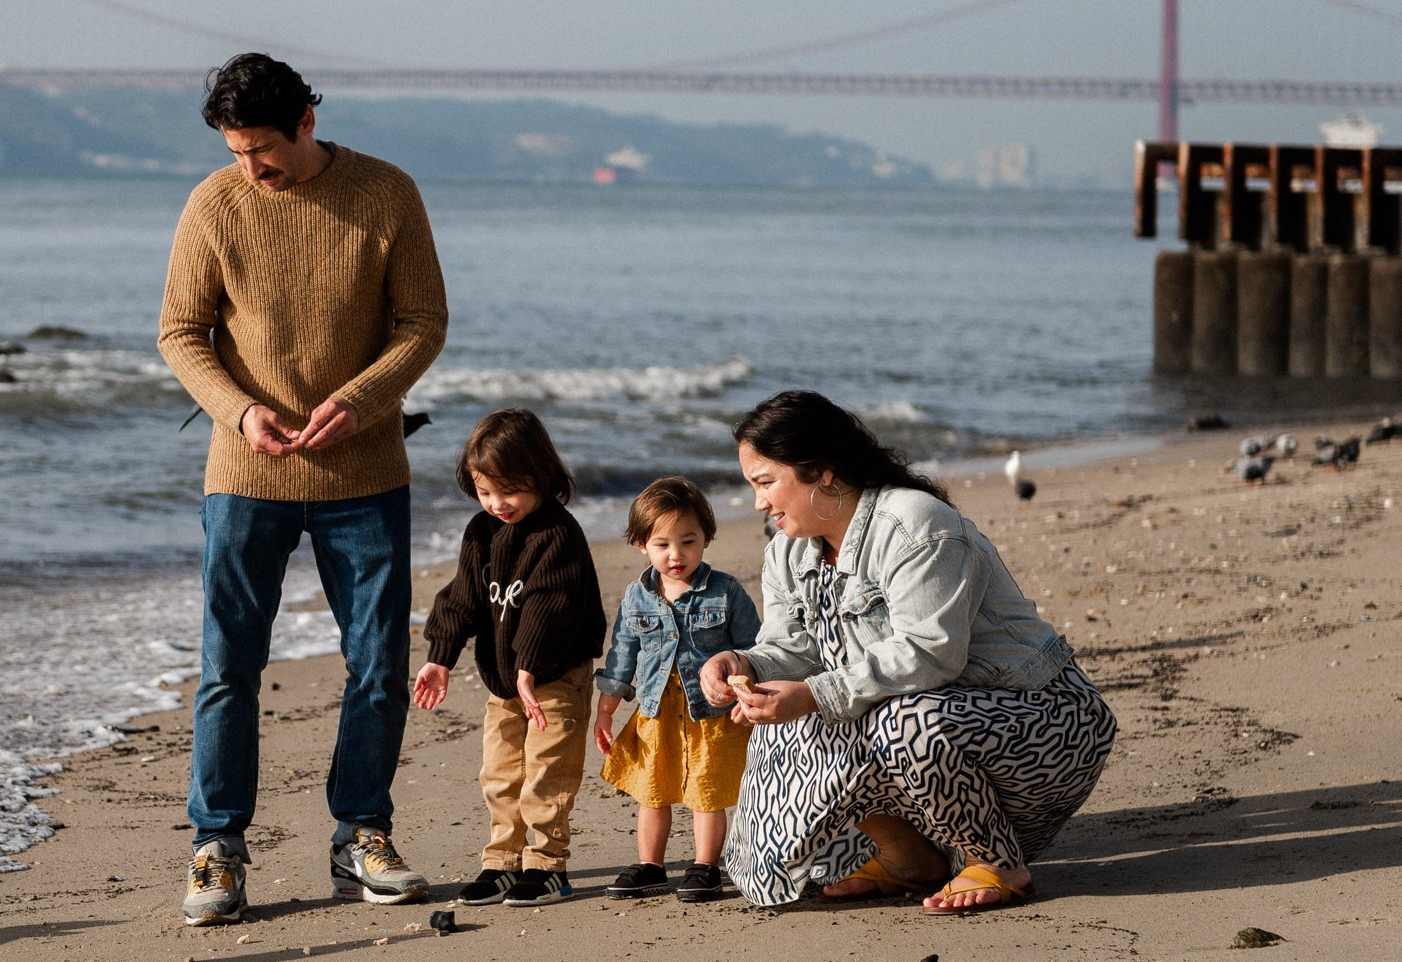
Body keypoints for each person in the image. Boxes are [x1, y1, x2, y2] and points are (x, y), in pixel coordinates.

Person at [158, 53, 448, 926]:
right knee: (227, 668)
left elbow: (424, 323)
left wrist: (360, 403)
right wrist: (242, 413)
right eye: (236, 151)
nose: (250, 169)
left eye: (262, 151)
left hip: (365, 475)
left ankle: (359, 831)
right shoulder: (215, 203)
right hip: (245, 475)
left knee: (379, 667)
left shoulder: (387, 194)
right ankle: (218, 846)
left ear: (308, 121)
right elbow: (180, 332)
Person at [703, 391, 1117, 912]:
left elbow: (931, 653)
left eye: (766, 483)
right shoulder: (787, 549)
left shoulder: (916, 524)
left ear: (822, 473)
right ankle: (911, 859)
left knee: (896, 717)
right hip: (928, 740)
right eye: (752, 486)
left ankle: (996, 862)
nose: (758, 503)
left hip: (1039, 725)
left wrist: (812, 693)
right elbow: (792, 647)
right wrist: (744, 665)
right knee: (791, 719)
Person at [415, 409, 605, 907]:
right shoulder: (481, 533)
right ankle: (503, 860)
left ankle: (547, 866)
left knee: (547, 772)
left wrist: (530, 666)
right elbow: (462, 598)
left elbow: (552, 606)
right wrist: (441, 655)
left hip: (556, 677)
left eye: (511, 490)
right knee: (500, 774)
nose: (498, 504)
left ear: (542, 475)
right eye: (484, 492)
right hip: (505, 683)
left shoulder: (558, 534)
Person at [592, 477, 760, 903]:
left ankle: (705, 866)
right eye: (662, 544)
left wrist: (749, 691)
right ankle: (651, 866)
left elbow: (755, 648)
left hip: (711, 710)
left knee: (707, 790)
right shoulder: (637, 596)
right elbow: (622, 655)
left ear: (706, 538)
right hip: (656, 709)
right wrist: (607, 709)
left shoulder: (725, 591)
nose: (676, 554)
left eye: (688, 541)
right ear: (641, 545)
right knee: (654, 788)